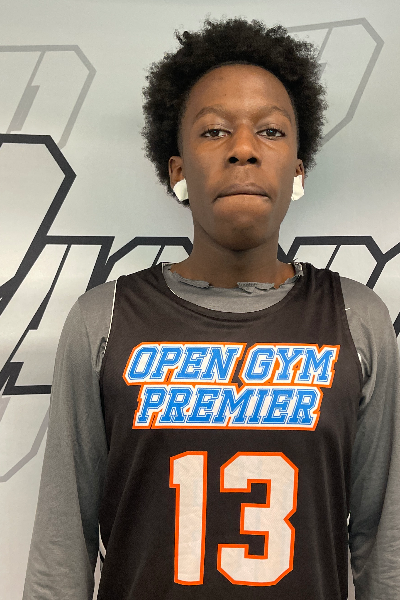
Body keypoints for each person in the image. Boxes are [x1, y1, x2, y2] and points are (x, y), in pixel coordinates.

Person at [23, 17, 400, 600]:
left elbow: (384, 548)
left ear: (297, 170)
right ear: (178, 170)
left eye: (270, 132)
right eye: (215, 131)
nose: (243, 150)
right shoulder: (103, 320)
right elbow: (61, 553)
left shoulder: (358, 320)